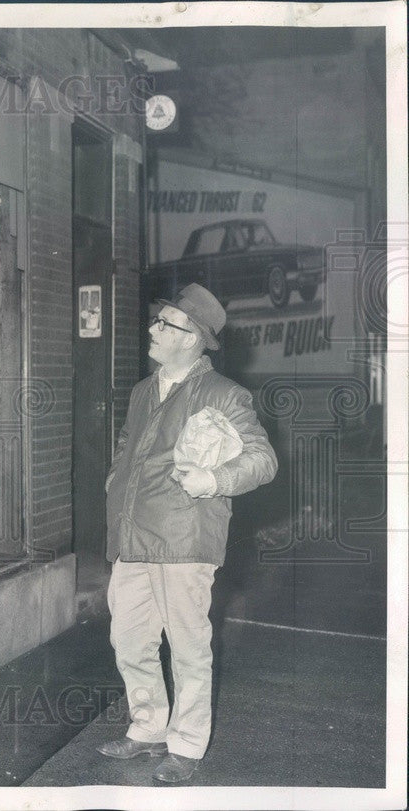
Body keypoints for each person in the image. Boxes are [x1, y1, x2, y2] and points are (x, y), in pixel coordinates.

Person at [97, 283, 278, 783]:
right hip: (132, 536)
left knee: (187, 645)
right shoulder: (141, 390)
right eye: (158, 321)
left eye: (166, 324)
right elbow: (127, 446)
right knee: (129, 640)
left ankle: (187, 745)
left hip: (182, 539)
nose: (153, 329)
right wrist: (116, 480)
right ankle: (149, 725)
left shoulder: (224, 394)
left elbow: (263, 460)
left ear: (193, 338)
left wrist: (215, 479)